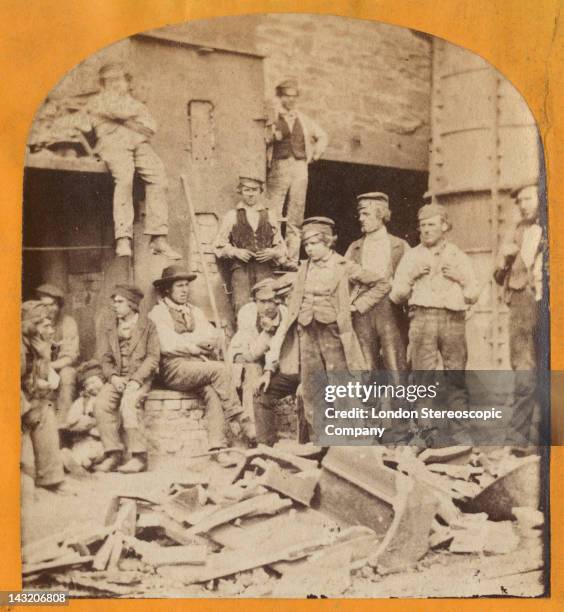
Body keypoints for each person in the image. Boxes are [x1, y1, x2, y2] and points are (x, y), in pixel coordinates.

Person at [277, 217, 381, 440]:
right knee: (313, 386)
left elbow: (381, 284)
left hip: (334, 333)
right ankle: (321, 439)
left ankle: (354, 440)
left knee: (341, 385)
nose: (310, 249)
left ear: (328, 242)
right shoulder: (303, 268)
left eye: (314, 244)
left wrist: (356, 306)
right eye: (306, 245)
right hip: (307, 331)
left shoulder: (344, 266)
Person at [390, 203, 479, 438]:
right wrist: (411, 276)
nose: (426, 230)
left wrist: (460, 278)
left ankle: (461, 437)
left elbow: (473, 294)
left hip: (453, 319)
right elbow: (396, 296)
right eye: (422, 226)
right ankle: (425, 436)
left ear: (444, 226)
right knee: (422, 379)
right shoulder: (411, 257)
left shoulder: (458, 256)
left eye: (431, 225)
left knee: (456, 377)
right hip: (422, 319)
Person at [149, 266, 255, 453]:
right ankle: (241, 419)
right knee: (220, 369)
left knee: (213, 393)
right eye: (179, 286)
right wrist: (194, 344)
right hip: (174, 368)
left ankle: (217, 447)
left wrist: (190, 342)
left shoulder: (194, 311)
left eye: (186, 286)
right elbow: (168, 344)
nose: (185, 290)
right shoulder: (159, 313)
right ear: (167, 289)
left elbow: (212, 337)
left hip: (198, 366)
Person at [84, 62, 181, 259]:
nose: (115, 84)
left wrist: (124, 120)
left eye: (118, 79)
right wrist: (131, 119)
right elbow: (115, 110)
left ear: (126, 81)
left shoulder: (134, 103)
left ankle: (158, 238)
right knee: (125, 178)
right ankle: (123, 238)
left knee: (159, 177)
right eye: (109, 81)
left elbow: (151, 127)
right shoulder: (96, 101)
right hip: (112, 142)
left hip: (138, 142)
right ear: (102, 84)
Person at [493, 183, 544, 442]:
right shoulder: (516, 233)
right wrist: (503, 261)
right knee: (524, 371)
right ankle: (517, 439)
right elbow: (497, 275)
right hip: (523, 305)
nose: (523, 205)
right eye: (520, 201)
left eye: (528, 199)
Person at [94, 285, 160, 473]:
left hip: (140, 377)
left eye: (120, 302)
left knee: (129, 404)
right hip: (117, 377)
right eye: (114, 302)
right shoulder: (109, 326)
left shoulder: (148, 326)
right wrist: (113, 377)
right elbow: (104, 356)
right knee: (101, 404)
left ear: (132, 304)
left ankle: (139, 457)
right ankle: (113, 454)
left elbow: (153, 357)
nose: (115, 305)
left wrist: (136, 380)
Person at [344, 192, 409, 373]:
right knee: (365, 365)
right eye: (360, 214)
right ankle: (368, 402)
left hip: (391, 310)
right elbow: (343, 279)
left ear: (380, 214)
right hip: (361, 312)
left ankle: (399, 401)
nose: (361, 219)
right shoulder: (354, 247)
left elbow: (410, 282)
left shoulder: (400, 246)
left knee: (395, 364)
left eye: (366, 214)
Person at [228, 277, 296, 446]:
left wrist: (271, 330)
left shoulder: (286, 313)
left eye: (271, 301)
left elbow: (279, 345)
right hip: (249, 357)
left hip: (279, 361)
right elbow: (251, 354)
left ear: (278, 301)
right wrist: (266, 334)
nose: (266, 307)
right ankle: (254, 433)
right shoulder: (248, 313)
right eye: (261, 302)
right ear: (255, 301)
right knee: (253, 371)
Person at [266, 80, 328, 264]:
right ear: (280, 97)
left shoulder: (303, 119)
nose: (291, 100)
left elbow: (323, 135)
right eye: (287, 96)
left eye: (294, 96)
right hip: (279, 165)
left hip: (300, 166)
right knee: (273, 212)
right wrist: (272, 137)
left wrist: (316, 153)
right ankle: (274, 255)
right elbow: (261, 138)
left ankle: (292, 258)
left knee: (296, 213)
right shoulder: (273, 117)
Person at [214, 175, 287, 313]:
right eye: (247, 190)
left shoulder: (270, 215)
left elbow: (280, 246)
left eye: (254, 190)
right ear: (241, 191)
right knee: (242, 305)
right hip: (241, 269)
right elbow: (218, 245)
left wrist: (273, 252)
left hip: (264, 269)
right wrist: (235, 251)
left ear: (260, 191)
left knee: (267, 304)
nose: (251, 194)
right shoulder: (232, 215)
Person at [21, 301, 71, 494]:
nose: (51, 330)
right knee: (39, 411)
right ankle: (43, 479)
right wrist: (33, 388)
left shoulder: (36, 345)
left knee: (44, 410)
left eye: (52, 324)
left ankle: (50, 479)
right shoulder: (18, 346)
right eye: (46, 325)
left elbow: (32, 376)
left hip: (23, 399)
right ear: (32, 327)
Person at [35, 283, 79, 428]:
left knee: (68, 374)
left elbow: (70, 356)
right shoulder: (34, 324)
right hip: (39, 367)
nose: (49, 310)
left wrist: (50, 367)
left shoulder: (68, 323)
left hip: (60, 367)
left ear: (59, 305)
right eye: (44, 306)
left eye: (52, 305)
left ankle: (62, 424)